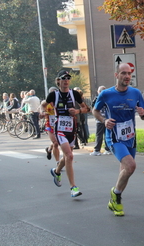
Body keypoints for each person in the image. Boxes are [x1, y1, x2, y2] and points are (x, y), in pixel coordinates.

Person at [93, 63, 144, 216]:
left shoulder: (136, 93)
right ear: (116, 75)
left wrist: (143, 113)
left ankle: (115, 203)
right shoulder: (106, 94)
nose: (127, 76)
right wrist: (104, 121)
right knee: (131, 166)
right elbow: (95, 111)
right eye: (123, 73)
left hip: (130, 138)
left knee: (125, 171)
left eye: (129, 73)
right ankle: (115, 193)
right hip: (114, 138)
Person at [46, 70, 89, 198]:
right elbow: (45, 106)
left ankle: (56, 171)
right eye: (63, 78)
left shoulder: (74, 94)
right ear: (58, 81)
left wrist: (77, 111)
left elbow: (87, 108)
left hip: (71, 128)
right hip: (59, 128)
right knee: (69, 156)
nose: (66, 80)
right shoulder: (53, 95)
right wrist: (48, 114)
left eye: (68, 78)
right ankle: (73, 187)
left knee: (67, 157)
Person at [90, 86, 112, 156]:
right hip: (107, 119)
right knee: (107, 134)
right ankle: (108, 149)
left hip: (100, 119)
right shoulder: (109, 98)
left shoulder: (97, 99)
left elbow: (93, 109)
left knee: (99, 135)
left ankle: (97, 150)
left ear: (98, 92)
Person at [41, 85, 60, 165]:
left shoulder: (60, 101)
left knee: (57, 142)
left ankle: (49, 149)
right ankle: (58, 162)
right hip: (50, 125)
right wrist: (42, 113)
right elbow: (41, 107)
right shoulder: (46, 102)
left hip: (59, 125)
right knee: (55, 143)